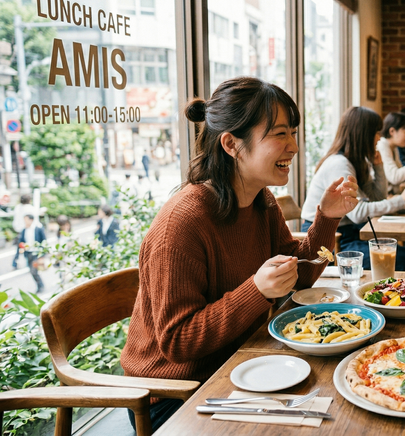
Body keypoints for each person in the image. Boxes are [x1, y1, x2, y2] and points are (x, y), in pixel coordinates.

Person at [121, 77, 358, 432]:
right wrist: (256, 290)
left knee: (340, 410)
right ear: (232, 144)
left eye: (293, 132)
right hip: (176, 395)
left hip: (240, 367)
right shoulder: (182, 223)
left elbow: (301, 277)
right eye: (280, 134)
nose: (293, 146)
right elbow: (176, 342)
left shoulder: (261, 201)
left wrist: (328, 217)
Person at [302, 107, 405, 271]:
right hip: (328, 240)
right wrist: (401, 200)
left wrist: (378, 166)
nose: (379, 138)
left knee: (404, 256)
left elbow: (377, 198)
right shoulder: (339, 164)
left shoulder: (354, 162)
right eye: (376, 132)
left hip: (347, 233)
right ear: (363, 135)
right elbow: (357, 213)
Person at [19, 214, 46, 294]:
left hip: (36, 253)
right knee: (32, 271)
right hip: (28, 253)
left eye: (26, 220)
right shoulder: (24, 230)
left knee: (34, 271)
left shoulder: (38, 229)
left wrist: (42, 255)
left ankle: (40, 286)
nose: (25, 222)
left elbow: (44, 241)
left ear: (31, 220)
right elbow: (21, 240)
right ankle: (40, 285)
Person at [11, 193, 37, 269]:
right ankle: (28, 263)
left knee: (20, 247)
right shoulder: (30, 208)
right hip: (27, 230)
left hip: (19, 230)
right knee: (28, 247)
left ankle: (15, 263)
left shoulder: (17, 207)